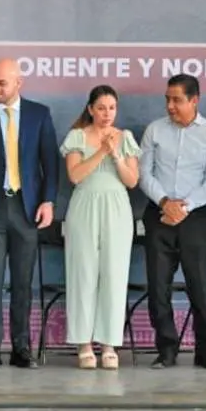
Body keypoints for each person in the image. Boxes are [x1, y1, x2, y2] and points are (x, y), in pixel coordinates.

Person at [0, 58, 59, 370]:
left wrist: (48, 201)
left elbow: (50, 164)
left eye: (1, 83)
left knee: (23, 282)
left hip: (27, 209)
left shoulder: (39, 114)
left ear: (19, 83)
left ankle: (21, 348)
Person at [139, 74, 206, 369]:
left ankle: (204, 350)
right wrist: (166, 203)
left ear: (194, 100)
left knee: (200, 285)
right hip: (159, 213)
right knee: (158, 286)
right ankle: (166, 349)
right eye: (167, 99)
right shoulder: (154, 130)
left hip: (196, 216)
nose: (170, 106)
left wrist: (183, 207)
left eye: (176, 100)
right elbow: (144, 174)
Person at [60, 85, 140, 370]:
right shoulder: (77, 136)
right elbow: (75, 176)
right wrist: (101, 152)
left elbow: (132, 181)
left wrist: (115, 154)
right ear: (91, 109)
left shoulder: (125, 138)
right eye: (102, 108)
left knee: (114, 274)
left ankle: (109, 344)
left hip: (117, 208)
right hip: (84, 207)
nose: (107, 114)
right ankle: (83, 343)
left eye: (112, 108)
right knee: (82, 273)